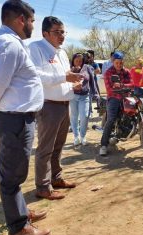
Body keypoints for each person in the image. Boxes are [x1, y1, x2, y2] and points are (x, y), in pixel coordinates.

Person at [0, 0, 50, 235]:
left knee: (15, 171)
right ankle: (18, 228)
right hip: (14, 119)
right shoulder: (8, 44)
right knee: (12, 175)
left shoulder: (8, 42)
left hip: (18, 118)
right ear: (20, 20)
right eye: (32, 21)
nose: (33, 26)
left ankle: (21, 212)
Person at [29, 16, 83, 200]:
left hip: (64, 104)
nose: (61, 36)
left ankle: (56, 178)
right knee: (45, 148)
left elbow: (64, 77)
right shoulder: (36, 48)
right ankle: (43, 187)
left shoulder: (62, 53)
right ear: (45, 33)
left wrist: (72, 85)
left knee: (58, 146)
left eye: (63, 32)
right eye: (57, 32)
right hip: (48, 106)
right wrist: (64, 79)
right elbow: (36, 75)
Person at [99, 51, 134, 156]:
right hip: (114, 98)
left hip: (126, 97)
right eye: (117, 62)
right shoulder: (108, 72)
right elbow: (110, 88)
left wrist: (121, 85)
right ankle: (103, 145)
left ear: (123, 62)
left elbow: (132, 84)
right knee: (111, 119)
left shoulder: (126, 72)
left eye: (120, 62)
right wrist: (124, 86)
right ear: (113, 62)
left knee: (134, 113)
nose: (119, 64)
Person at [69, 52, 99, 146]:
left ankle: (83, 136)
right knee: (74, 117)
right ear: (73, 60)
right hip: (73, 96)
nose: (78, 62)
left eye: (80, 60)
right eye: (76, 60)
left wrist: (96, 93)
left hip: (85, 96)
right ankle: (76, 137)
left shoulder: (88, 68)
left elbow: (92, 81)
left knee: (85, 116)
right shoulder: (69, 69)